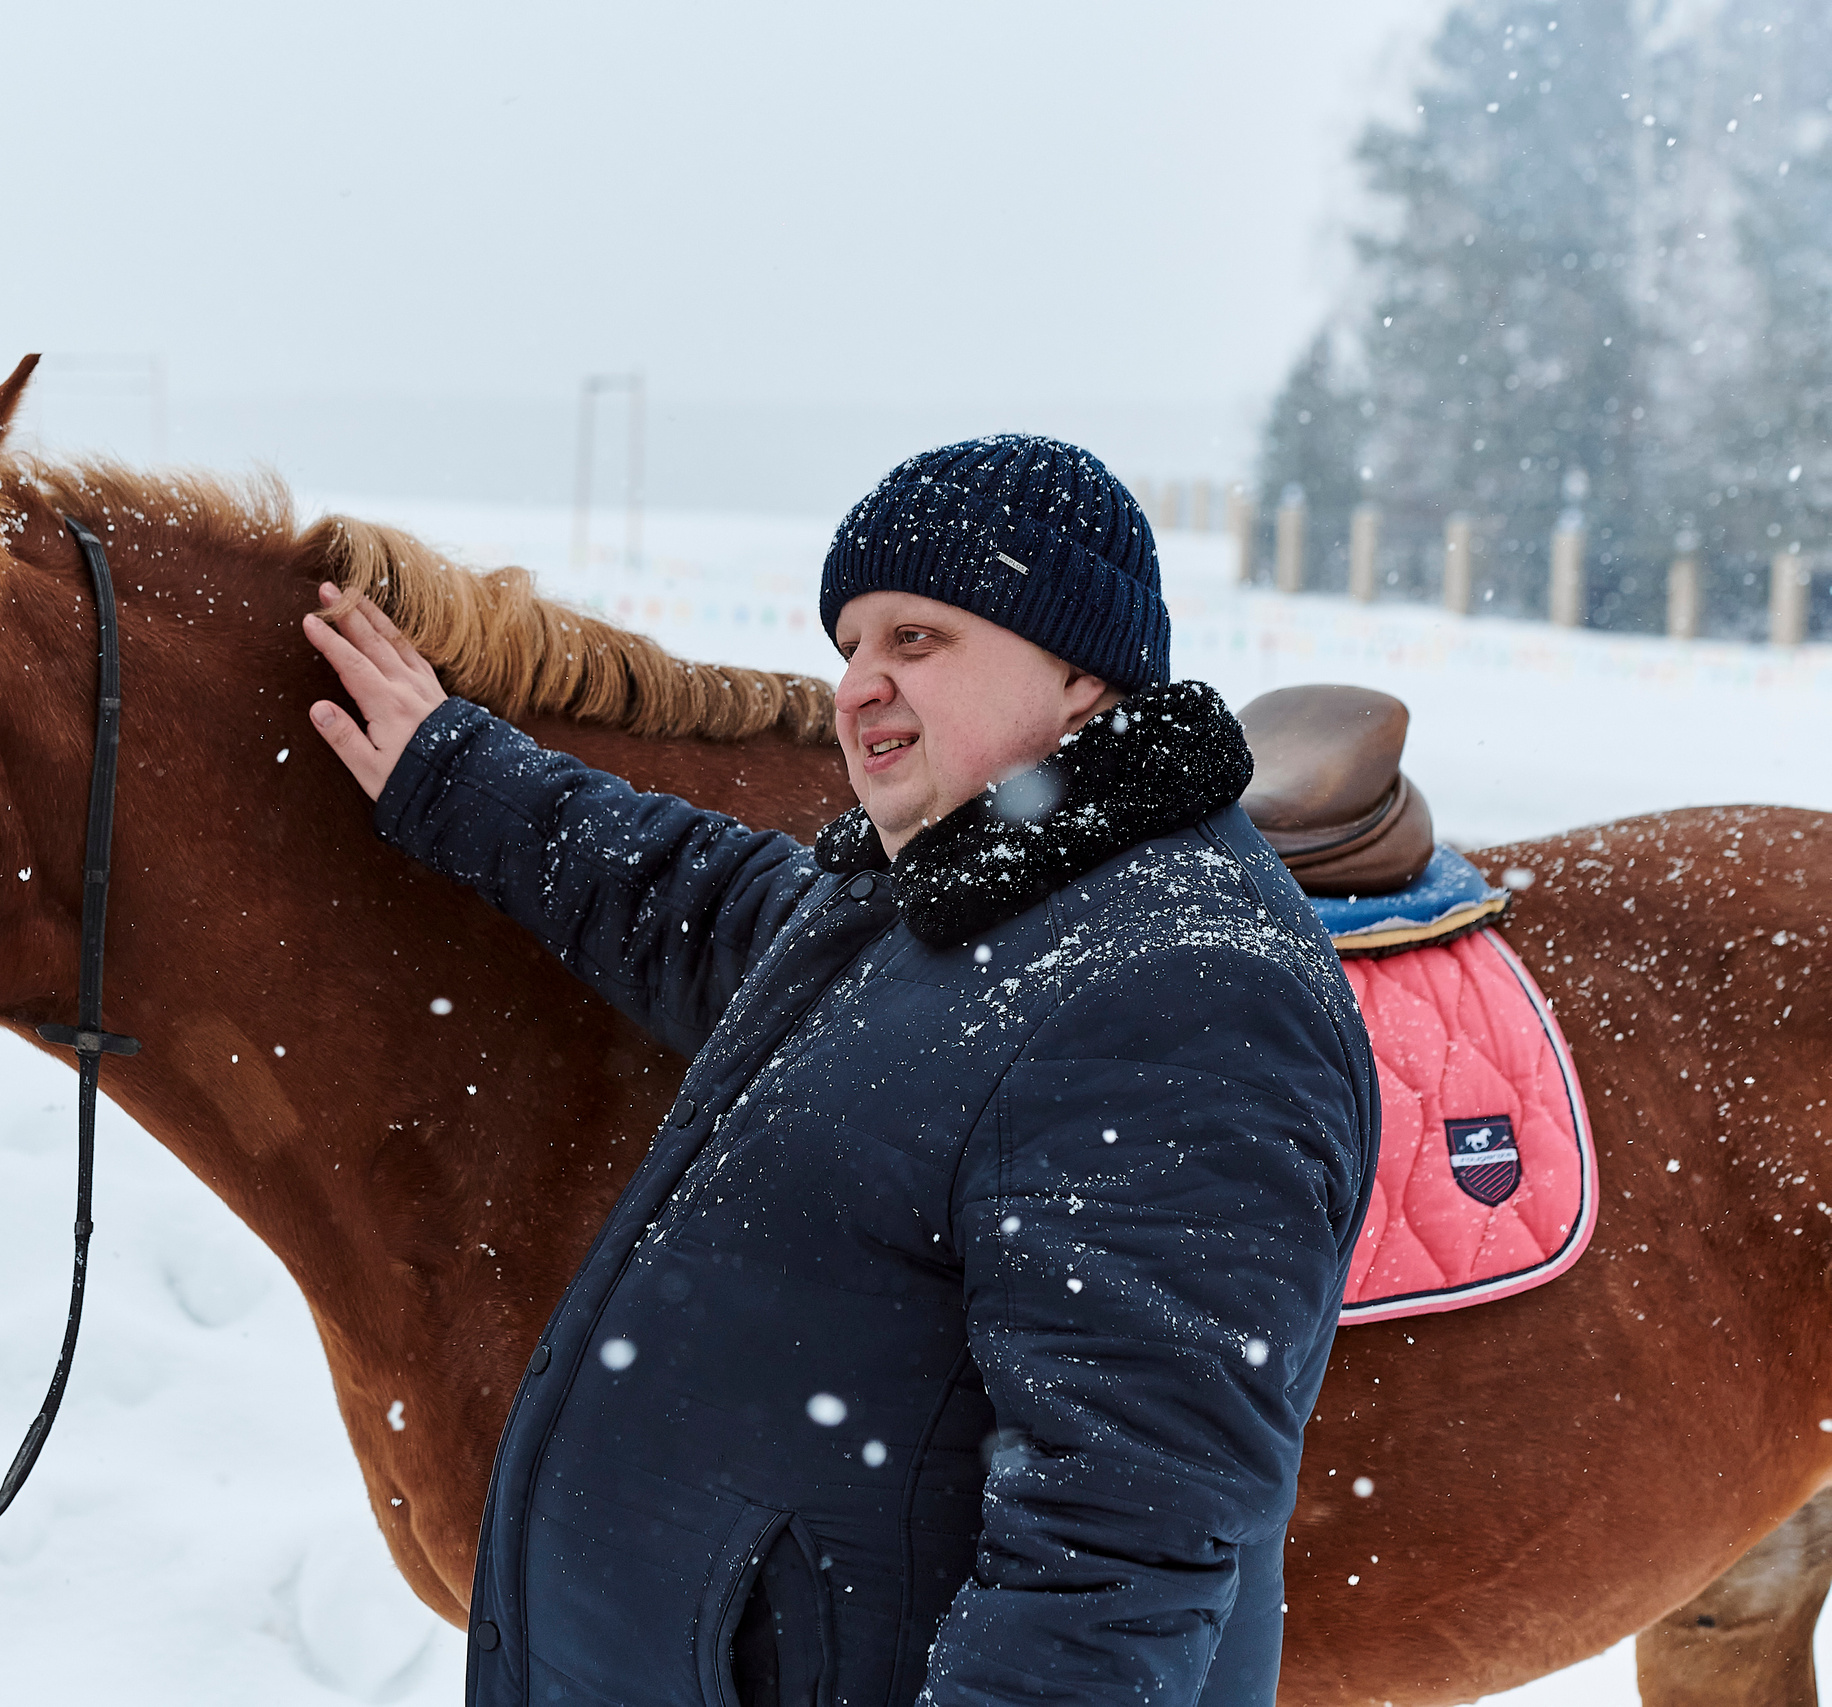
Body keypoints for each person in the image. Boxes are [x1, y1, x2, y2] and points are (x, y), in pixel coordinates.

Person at [301, 436, 1378, 1707]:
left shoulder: (1181, 994)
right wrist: (456, 774)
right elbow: (693, 906)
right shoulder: (954, 904)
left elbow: (1114, 1566)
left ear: (1082, 671)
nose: (857, 686)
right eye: (849, 646)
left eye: (915, 640)